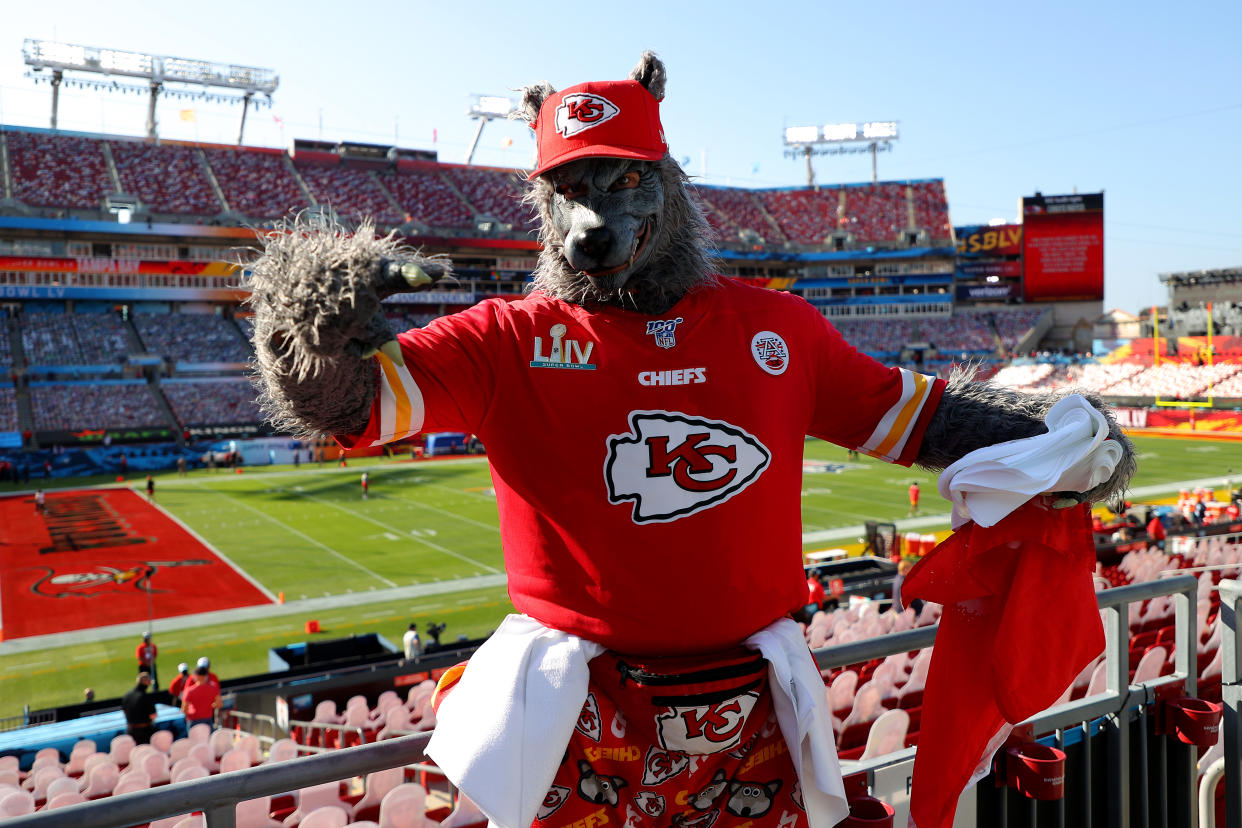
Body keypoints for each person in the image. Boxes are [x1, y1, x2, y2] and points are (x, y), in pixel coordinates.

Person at [122, 673, 157, 744]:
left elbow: (124, 712)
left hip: (130, 731)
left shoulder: (127, 695)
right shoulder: (145, 697)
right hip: (145, 733)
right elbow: (153, 715)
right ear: (146, 682)